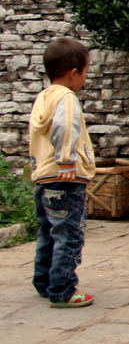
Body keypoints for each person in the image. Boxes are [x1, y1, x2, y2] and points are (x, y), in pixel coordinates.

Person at [30, 37, 96, 308]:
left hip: (44, 177)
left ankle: (44, 281)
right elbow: (65, 127)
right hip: (65, 178)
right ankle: (63, 290)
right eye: (85, 73)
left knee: (48, 231)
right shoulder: (67, 98)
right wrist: (67, 161)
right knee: (69, 234)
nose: (84, 79)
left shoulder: (44, 96)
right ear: (73, 73)